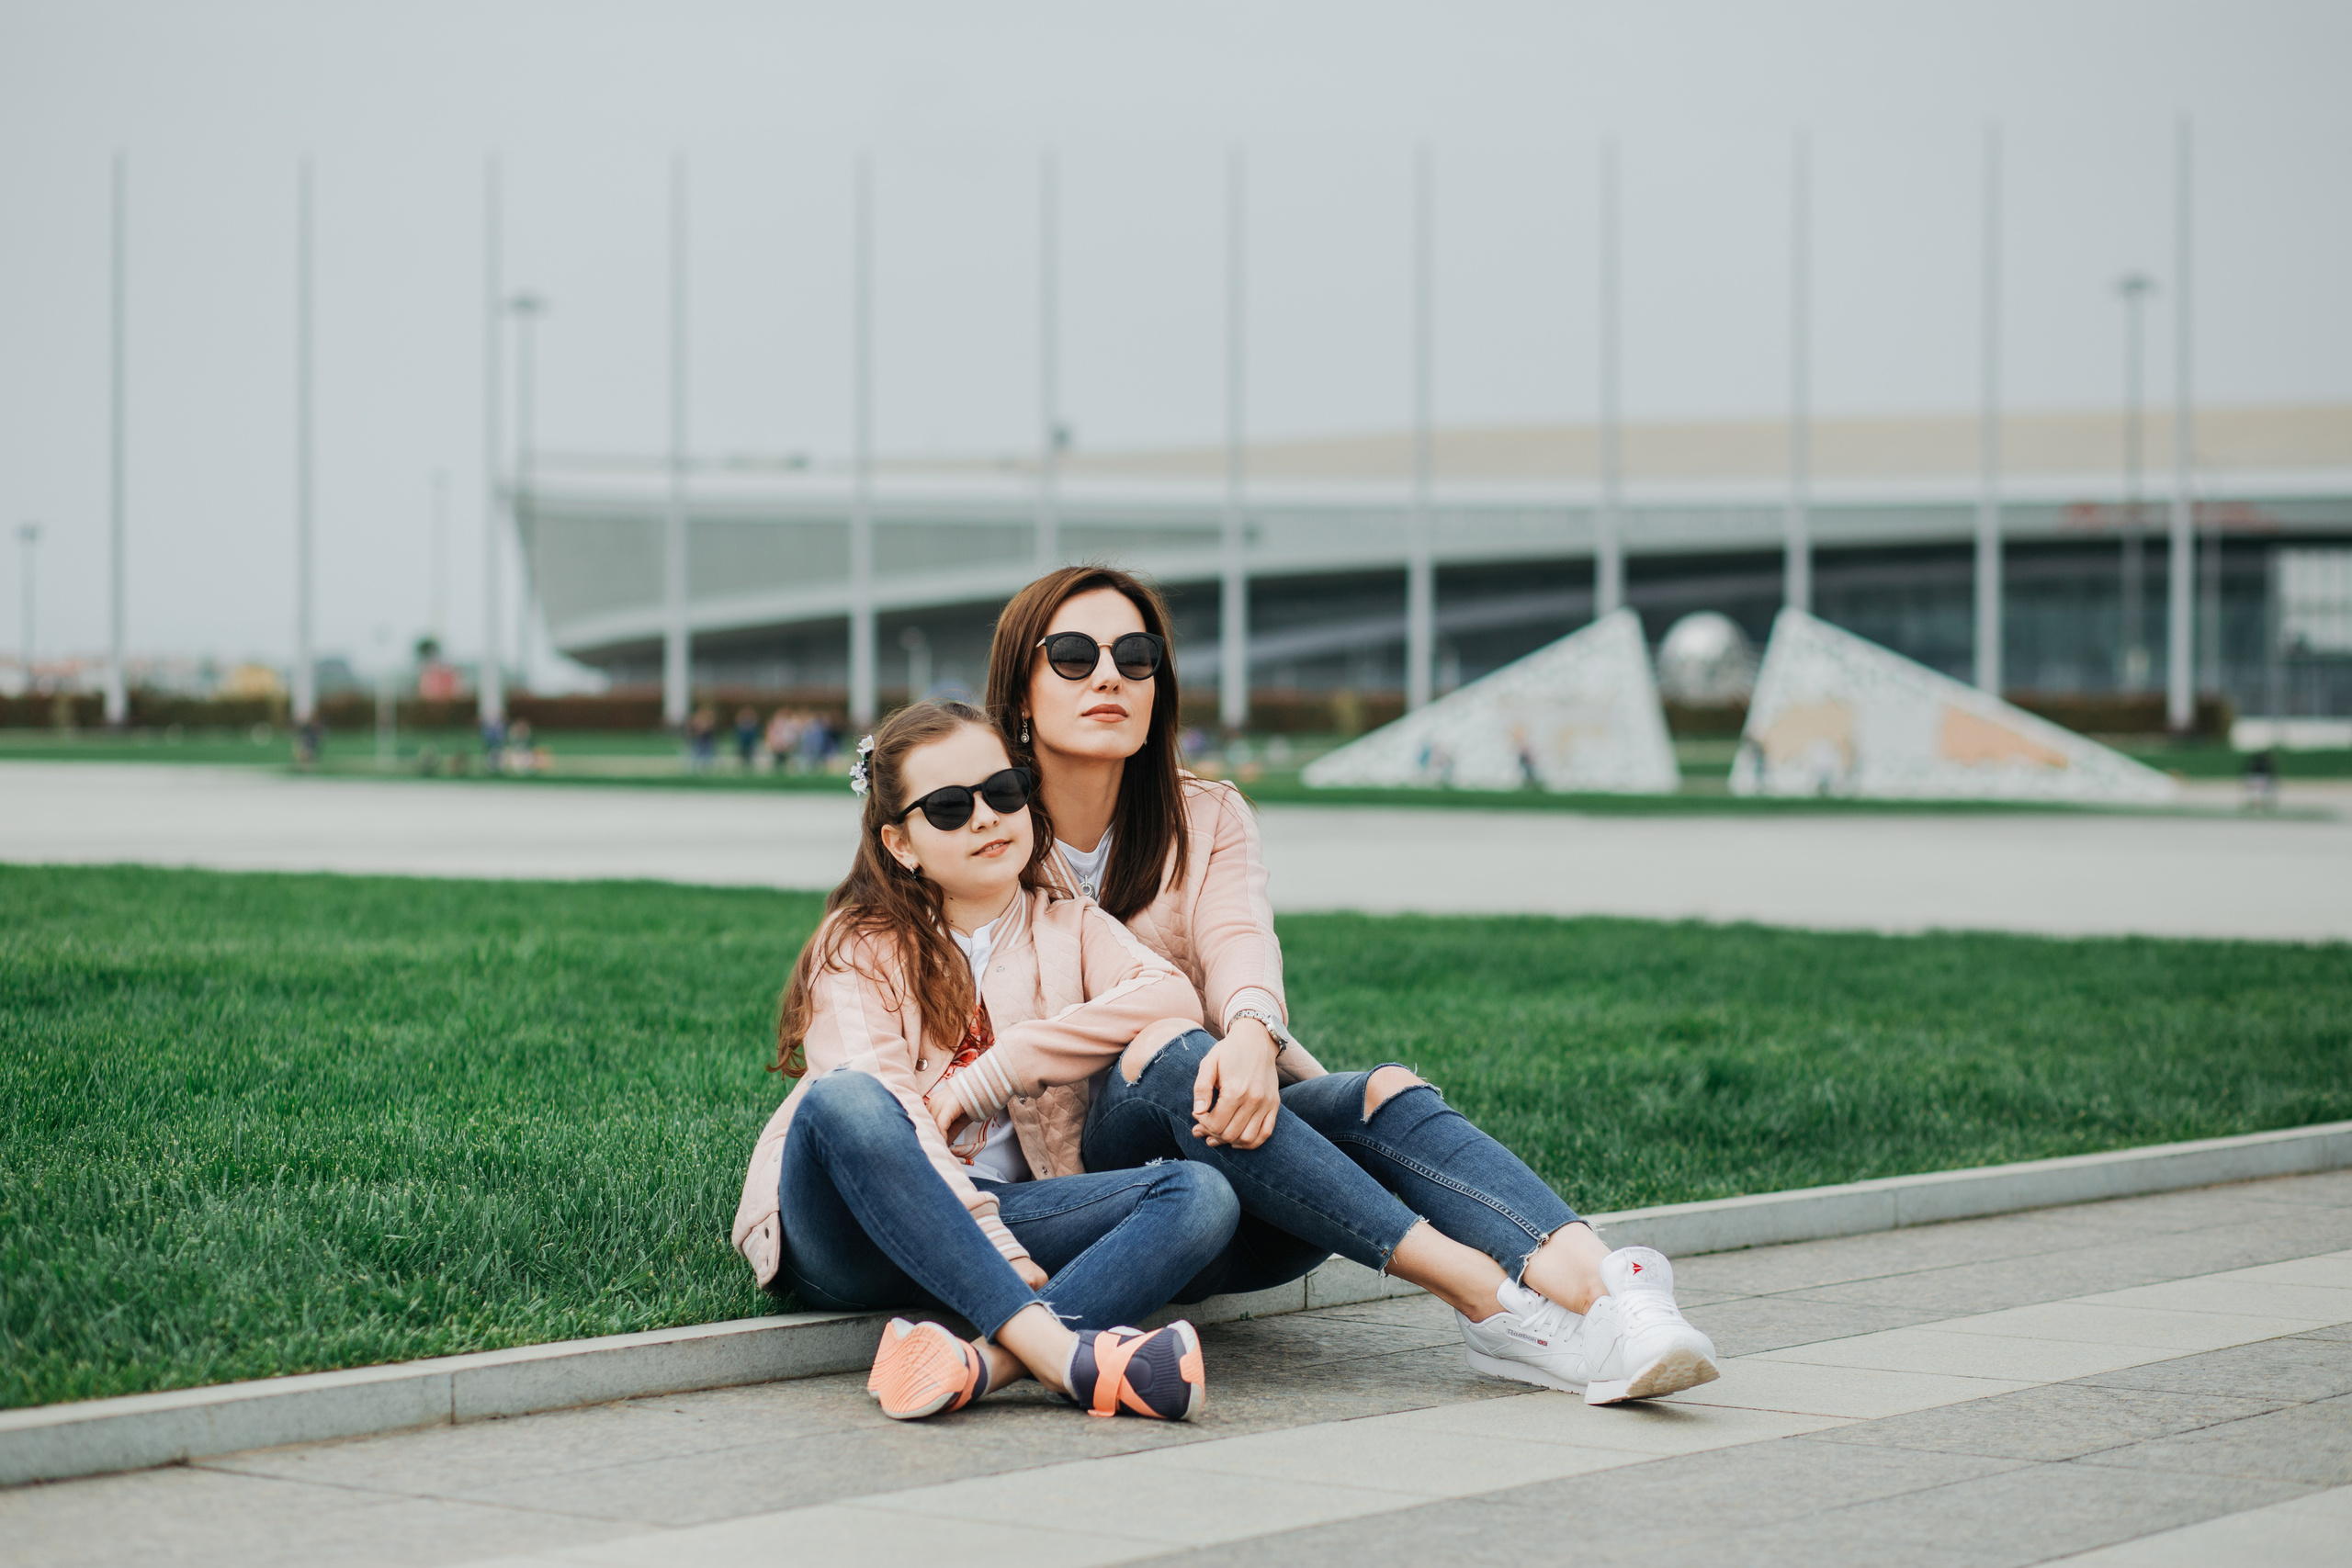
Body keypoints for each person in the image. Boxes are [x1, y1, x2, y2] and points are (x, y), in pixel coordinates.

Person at [985, 566, 1721, 1405]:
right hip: (1110, 1205)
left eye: (1137, 655)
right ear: (1020, 692)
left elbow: (1239, 943)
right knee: (1167, 1046)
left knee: (1382, 1095)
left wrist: (1255, 1034)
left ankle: (1613, 1292)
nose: (1110, 674)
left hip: (1258, 1190)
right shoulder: (981, 836)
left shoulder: (1209, 815)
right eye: (1074, 655)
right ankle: (1487, 1299)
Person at [731, 698, 1232, 1422]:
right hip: (851, 1233)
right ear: (901, 842)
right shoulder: (857, 943)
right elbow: (888, 1107)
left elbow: (1170, 993)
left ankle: (977, 1364)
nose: (987, 818)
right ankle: (1064, 1357)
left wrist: (1011, 1061)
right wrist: (992, 1244)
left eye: (1003, 792)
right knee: (847, 1099)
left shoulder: (1069, 923)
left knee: (1200, 1195)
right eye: (949, 808)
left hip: (1006, 1214)